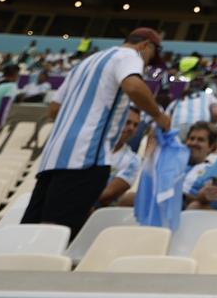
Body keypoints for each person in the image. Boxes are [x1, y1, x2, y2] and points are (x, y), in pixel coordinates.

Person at [22, 29, 171, 235]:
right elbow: (134, 87)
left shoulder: (86, 62)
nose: (145, 66)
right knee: (57, 233)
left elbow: (53, 109)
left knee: (31, 232)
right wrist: (159, 116)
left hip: (53, 157)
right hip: (86, 157)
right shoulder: (129, 55)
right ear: (145, 45)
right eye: (149, 59)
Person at [97, 107, 143, 207]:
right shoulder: (92, 145)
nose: (131, 128)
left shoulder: (133, 160)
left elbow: (108, 194)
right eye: (127, 122)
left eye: (135, 125)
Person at [181, 121, 217, 204]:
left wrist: (181, 197)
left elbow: (207, 205)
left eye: (200, 140)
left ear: (211, 147)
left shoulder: (212, 173)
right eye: (191, 138)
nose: (194, 143)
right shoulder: (173, 163)